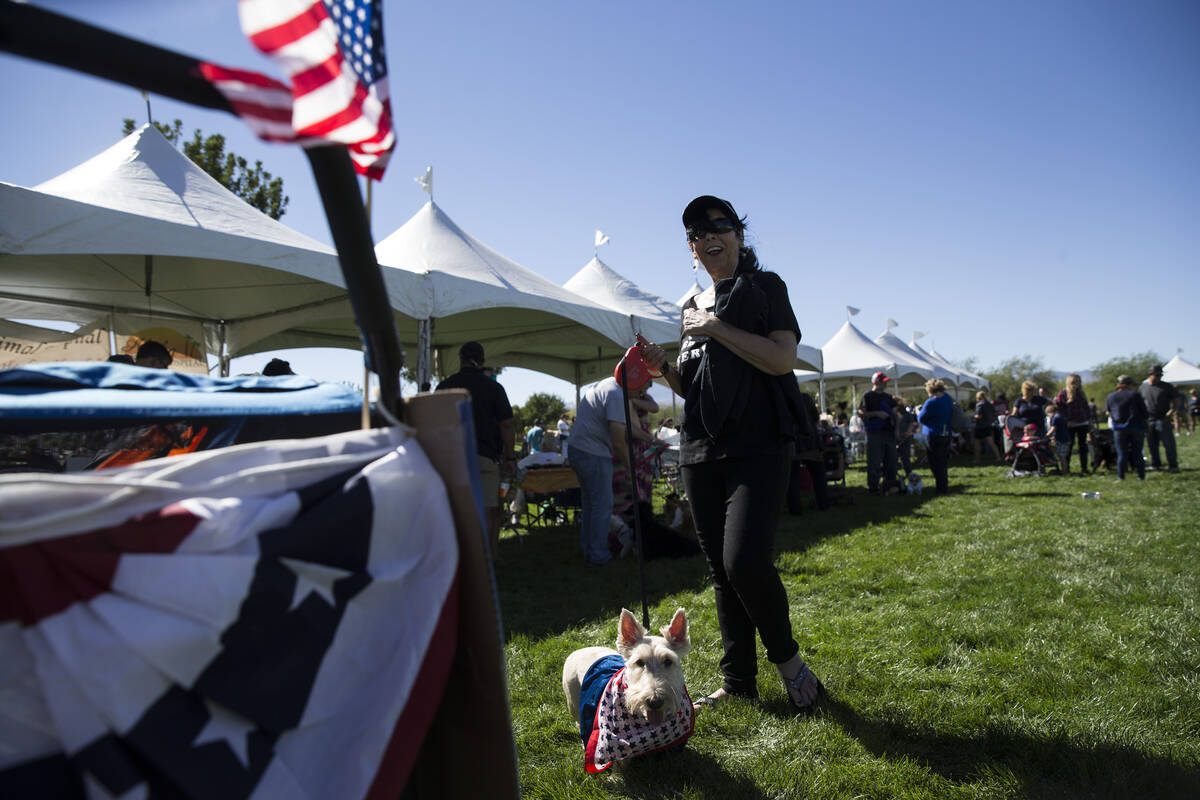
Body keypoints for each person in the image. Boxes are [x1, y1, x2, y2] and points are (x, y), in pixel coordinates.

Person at [639, 195, 821, 714]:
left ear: (740, 237)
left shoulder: (765, 288)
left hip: (758, 445)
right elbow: (694, 384)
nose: (709, 234)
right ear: (692, 249)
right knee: (721, 570)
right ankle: (739, 679)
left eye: (721, 225)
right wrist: (663, 369)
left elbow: (782, 357)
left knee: (745, 561)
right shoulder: (690, 306)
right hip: (700, 447)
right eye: (697, 231)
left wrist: (715, 326)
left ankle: (790, 666)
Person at [435, 341, 516, 556]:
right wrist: (510, 457)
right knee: (490, 510)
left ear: (460, 359)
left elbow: (434, 425)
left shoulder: (444, 387)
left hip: (453, 459)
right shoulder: (494, 387)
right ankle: (487, 560)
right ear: (482, 361)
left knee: (455, 510)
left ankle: (457, 559)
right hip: (485, 458)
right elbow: (507, 424)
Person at [569, 375, 641, 565]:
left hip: (579, 449)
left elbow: (624, 429)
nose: (640, 395)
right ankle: (599, 556)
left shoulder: (607, 385)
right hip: (593, 452)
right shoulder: (617, 395)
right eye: (640, 389)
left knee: (591, 505)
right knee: (602, 505)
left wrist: (651, 439)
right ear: (633, 382)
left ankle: (590, 551)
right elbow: (618, 440)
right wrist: (630, 469)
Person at [858, 371, 898, 494]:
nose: (884, 384)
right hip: (875, 433)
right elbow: (861, 412)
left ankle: (890, 486)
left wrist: (897, 430)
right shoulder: (868, 396)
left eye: (885, 382)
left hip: (889, 432)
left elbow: (895, 414)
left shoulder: (888, 397)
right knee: (874, 462)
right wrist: (876, 414)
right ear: (876, 382)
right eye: (882, 382)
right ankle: (873, 488)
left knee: (891, 461)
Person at [1106, 374, 1148, 481]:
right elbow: (1144, 411)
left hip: (1119, 428)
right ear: (1128, 385)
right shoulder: (1135, 395)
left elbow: (1108, 412)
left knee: (1121, 454)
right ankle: (1141, 476)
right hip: (1136, 427)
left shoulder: (1111, 396)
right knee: (1137, 452)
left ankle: (1121, 476)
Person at [1139, 364, 1179, 472]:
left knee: (1168, 444)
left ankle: (1173, 465)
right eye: (1156, 375)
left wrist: (1170, 413)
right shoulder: (1143, 387)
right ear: (1149, 375)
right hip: (1149, 420)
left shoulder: (1166, 387)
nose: (1158, 377)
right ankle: (1155, 464)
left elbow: (1176, 402)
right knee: (1152, 444)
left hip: (1162, 419)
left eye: (1160, 375)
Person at [917, 379, 954, 493]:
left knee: (934, 462)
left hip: (933, 434)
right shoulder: (948, 399)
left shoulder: (931, 402)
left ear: (930, 390)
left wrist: (918, 411)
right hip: (946, 433)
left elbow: (921, 418)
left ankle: (940, 487)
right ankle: (944, 485)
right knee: (942, 461)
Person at [1053, 373, 1091, 473]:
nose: (1077, 384)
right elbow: (1059, 408)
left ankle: (1084, 468)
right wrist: (1066, 420)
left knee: (1083, 446)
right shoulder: (1063, 393)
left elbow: (1086, 407)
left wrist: (1088, 419)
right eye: (1075, 381)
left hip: (1082, 423)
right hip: (1070, 424)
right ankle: (1067, 468)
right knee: (1069, 446)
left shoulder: (1081, 393)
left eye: (1079, 381)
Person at [972, 390, 1002, 464]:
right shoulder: (989, 404)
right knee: (992, 443)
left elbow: (979, 416)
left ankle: (977, 460)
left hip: (979, 427)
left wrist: (973, 416)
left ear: (978, 398)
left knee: (977, 444)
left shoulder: (979, 405)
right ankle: (998, 457)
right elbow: (994, 414)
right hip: (988, 426)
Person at [1045, 403, 1072, 474]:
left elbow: (1053, 429)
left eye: (1048, 415)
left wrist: (1046, 435)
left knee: (1062, 457)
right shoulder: (1061, 417)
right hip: (1066, 439)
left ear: (1050, 412)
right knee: (1063, 456)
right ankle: (1065, 470)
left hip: (1062, 440)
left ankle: (1064, 471)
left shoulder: (1055, 418)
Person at [895, 398, 918, 477]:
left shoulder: (907, 414)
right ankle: (892, 475)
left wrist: (908, 432)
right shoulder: (893, 414)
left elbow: (911, 423)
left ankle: (909, 474)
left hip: (905, 438)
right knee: (893, 458)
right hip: (895, 439)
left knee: (905, 458)